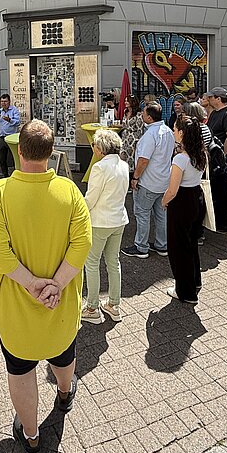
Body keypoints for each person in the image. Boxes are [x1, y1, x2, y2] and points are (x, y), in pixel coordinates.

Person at [0, 120, 91, 453]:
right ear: (51, 153)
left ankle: (30, 436)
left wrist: (32, 285)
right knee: (63, 353)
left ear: (19, 150)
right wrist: (56, 284)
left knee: (20, 370)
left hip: (16, 305)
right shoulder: (69, 191)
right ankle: (64, 393)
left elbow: (0, 253)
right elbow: (82, 244)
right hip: (58, 304)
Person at [81, 129, 128, 325]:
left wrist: (79, 212)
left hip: (100, 221)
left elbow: (91, 198)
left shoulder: (100, 168)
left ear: (100, 148)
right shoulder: (123, 165)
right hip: (118, 218)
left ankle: (92, 307)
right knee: (113, 262)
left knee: (92, 263)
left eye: (94, 145)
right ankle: (113, 304)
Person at [161, 117, 208, 303]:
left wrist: (164, 202)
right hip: (197, 198)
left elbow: (172, 190)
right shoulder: (201, 154)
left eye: (175, 129)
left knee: (179, 248)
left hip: (181, 202)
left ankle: (185, 291)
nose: (173, 132)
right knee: (191, 244)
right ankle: (194, 282)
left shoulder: (180, 159)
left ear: (182, 133)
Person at [122, 102, 175, 259]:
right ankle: (162, 245)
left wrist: (135, 177)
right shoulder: (168, 131)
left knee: (142, 214)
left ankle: (141, 246)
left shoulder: (150, 135)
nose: (141, 115)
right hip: (164, 180)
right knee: (161, 214)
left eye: (144, 114)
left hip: (148, 181)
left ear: (150, 118)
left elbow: (143, 160)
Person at [206, 87, 227, 234]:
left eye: (211, 97)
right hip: (213, 157)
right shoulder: (214, 113)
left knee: (222, 191)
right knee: (215, 190)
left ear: (218, 98)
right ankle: (216, 220)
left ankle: (224, 223)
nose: (209, 100)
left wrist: (223, 156)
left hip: (221, 160)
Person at [0, 94, 21, 178]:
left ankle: (15, 175)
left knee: (13, 157)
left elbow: (18, 122)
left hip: (11, 137)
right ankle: (5, 174)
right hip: (1, 137)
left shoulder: (14, 110)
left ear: (9, 101)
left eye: (5, 101)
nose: (3, 103)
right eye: (2, 101)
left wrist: (9, 120)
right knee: (2, 158)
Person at [119, 96, 145, 174]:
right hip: (125, 137)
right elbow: (124, 124)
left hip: (133, 138)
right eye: (125, 101)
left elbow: (140, 129)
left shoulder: (139, 114)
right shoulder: (125, 111)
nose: (125, 102)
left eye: (128, 101)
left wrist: (136, 141)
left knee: (131, 158)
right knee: (122, 154)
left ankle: (131, 174)